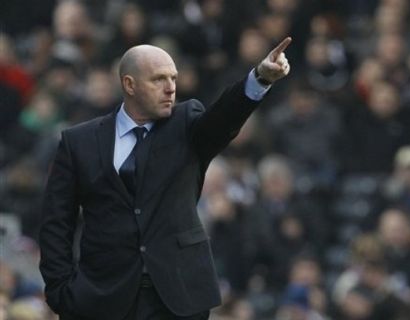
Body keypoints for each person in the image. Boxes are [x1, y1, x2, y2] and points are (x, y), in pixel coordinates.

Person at [38, 37, 292, 320]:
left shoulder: (186, 123)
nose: (171, 87)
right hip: (101, 298)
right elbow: (56, 222)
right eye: (158, 79)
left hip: (178, 299)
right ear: (129, 84)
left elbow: (223, 119)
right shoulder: (78, 141)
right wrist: (60, 290)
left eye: (173, 78)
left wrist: (259, 79)